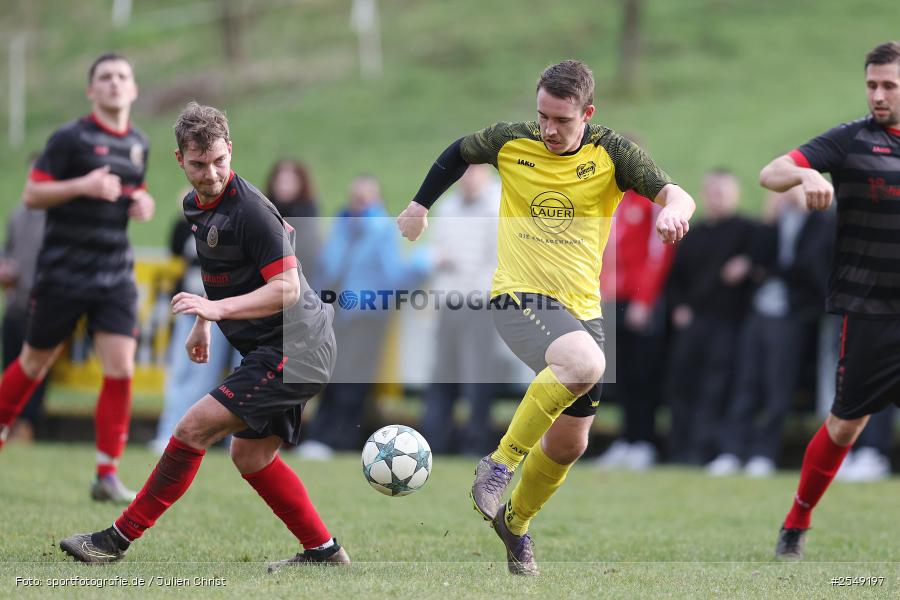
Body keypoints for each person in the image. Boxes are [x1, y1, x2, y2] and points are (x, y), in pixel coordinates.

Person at [397, 60, 695, 575]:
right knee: (584, 364)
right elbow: (457, 153)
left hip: (581, 310)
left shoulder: (612, 153)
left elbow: (673, 191)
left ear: (588, 114)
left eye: (562, 120)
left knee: (569, 442)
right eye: (543, 117)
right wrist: (420, 204)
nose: (550, 130)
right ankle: (499, 465)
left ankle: (515, 524)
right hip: (518, 295)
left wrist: (675, 211)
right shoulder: (511, 141)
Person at [59, 102, 348, 569]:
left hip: (298, 346)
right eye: (198, 164)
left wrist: (216, 310)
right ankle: (324, 552)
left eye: (219, 161)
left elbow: (288, 287)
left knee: (192, 428)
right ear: (180, 160)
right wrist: (205, 321)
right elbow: (219, 274)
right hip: (275, 347)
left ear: (230, 150)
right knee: (250, 457)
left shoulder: (250, 210)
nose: (211, 174)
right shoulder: (196, 206)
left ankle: (115, 540)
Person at [759, 41, 900, 561]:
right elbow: (770, 173)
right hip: (868, 314)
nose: (878, 95)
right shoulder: (851, 138)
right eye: (871, 85)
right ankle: (796, 521)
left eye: (889, 85)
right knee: (845, 425)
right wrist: (806, 173)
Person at [0, 53, 155, 503]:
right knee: (34, 363)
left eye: (122, 76)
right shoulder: (70, 138)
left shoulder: (139, 144)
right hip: (64, 272)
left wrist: (141, 201)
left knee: (122, 366)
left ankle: (106, 473)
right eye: (104, 77)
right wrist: (80, 186)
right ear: (91, 91)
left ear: (134, 89)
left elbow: (132, 189)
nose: (113, 84)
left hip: (114, 273)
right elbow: (32, 193)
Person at [295, 174, 430, 458]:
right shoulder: (342, 227)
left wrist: (423, 262)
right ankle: (319, 436)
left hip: (366, 317)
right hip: (335, 315)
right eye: (355, 199)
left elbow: (394, 275)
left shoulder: (381, 230)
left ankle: (339, 439)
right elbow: (326, 269)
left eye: (365, 200)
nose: (358, 205)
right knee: (329, 379)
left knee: (352, 383)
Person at [706, 186, 834, 477]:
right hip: (759, 312)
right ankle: (731, 451)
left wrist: (773, 270)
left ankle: (764, 453)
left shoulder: (821, 222)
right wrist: (769, 219)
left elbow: (809, 268)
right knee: (746, 383)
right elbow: (758, 261)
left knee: (778, 388)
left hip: (791, 316)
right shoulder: (775, 221)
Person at [663, 169, 757, 465]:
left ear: (735, 195)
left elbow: (764, 262)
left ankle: (708, 450)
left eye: (722, 193)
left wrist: (748, 265)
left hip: (729, 323)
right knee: (681, 384)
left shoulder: (748, 232)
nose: (716, 199)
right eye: (711, 193)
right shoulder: (693, 233)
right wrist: (678, 307)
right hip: (693, 322)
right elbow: (675, 278)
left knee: (716, 387)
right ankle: (679, 450)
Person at [594, 141, 676, 471]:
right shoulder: (610, 199)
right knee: (622, 376)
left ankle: (644, 441)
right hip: (612, 301)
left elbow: (659, 253)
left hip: (642, 302)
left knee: (644, 374)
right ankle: (626, 439)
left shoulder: (653, 197)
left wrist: (644, 299)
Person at [419, 164, 502, 455]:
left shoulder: (498, 206)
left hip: (479, 304)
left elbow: (497, 259)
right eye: (464, 172)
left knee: (476, 378)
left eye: (474, 172)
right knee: (442, 375)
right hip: (448, 302)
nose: (467, 178)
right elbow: (437, 250)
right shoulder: (448, 205)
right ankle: (433, 443)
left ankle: (475, 444)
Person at [147, 193, 241, 454]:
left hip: (216, 312)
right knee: (180, 372)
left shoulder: (232, 225)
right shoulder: (189, 224)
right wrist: (186, 215)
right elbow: (175, 247)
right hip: (188, 309)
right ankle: (169, 433)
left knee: (205, 377)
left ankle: (203, 437)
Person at [0, 198, 48, 443]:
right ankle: (8, 424)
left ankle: (27, 426)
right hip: (15, 305)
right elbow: (7, 250)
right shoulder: (18, 214)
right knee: (11, 366)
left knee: (37, 369)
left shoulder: (58, 217)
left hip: (44, 306)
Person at [265, 158, 322, 289]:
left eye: (289, 182)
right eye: (280, 182)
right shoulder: (264, 210)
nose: (284, 187)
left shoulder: (308, 212)